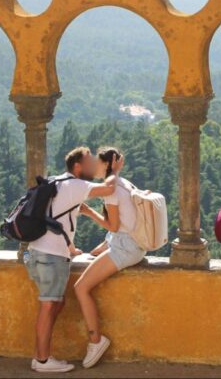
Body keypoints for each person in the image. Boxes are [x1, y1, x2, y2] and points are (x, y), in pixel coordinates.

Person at [24, 147, 122, 373]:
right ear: (77, 166)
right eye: (89, 163)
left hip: (35, 253)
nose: (93, 167)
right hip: (51, 256)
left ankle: (41, 356)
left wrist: (70, 248)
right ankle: (42, 360)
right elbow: (109, 188)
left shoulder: (55, 182)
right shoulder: (76, 185)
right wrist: (114, 170)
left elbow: (56, 220)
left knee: (56, 303)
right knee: (49, 306)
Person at [74, 147, 147, 368]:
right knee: (91, 260)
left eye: (98, 162)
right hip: (133, 244)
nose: (94, 165)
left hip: (125, 247)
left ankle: (96, 340)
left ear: (107, 164)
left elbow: (113, 226)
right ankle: (96, 340)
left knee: (80, 287)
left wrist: (88, 212)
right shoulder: (124, 183)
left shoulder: (112, 191)